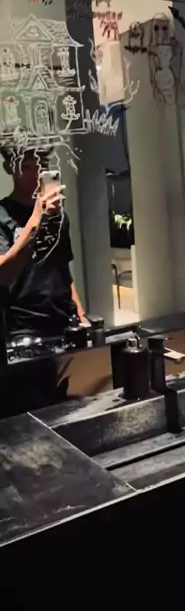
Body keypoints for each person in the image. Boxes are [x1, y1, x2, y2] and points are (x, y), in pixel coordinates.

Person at [0, 146, 88, 416]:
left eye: (41, 166)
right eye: (26, 166)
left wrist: (81, 314)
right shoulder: (2, 216)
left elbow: (63, 269)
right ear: (9, 168)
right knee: (27, 414)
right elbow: (3, 273)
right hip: (22, 329)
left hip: (63, 323)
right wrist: (37, 219)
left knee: (66, 409)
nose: (35, 174)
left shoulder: (59, 218)